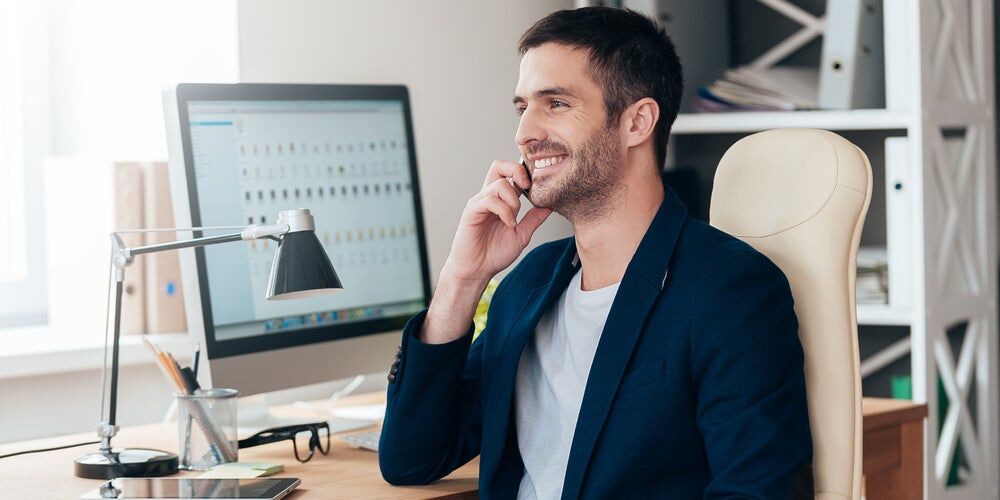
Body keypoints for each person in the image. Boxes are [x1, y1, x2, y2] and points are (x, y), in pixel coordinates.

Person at [379, 7, 811, 499]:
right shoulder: (530, 284)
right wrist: (462, 278)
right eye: (522, 107)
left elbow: (757, 491)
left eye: (556, 104)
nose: (524, 132)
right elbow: (411, 458)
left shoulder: (728, 291)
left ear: (637, 122)